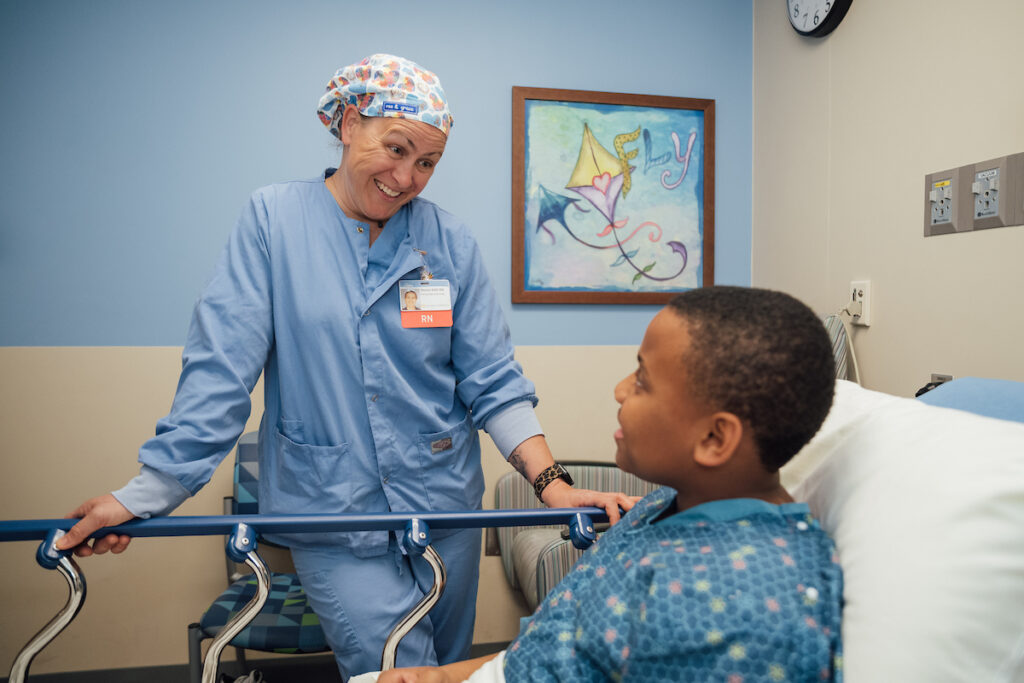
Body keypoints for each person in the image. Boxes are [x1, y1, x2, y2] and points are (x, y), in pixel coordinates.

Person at [56, 54, 637, 679]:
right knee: (399, 670)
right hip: (331, 513)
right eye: (395, 149)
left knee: (447, 666)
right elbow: (222, 371)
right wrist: (144, 496)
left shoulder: (449, 243)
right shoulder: (273, 222)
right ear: (349, 123)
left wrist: (555, 484)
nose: (406, 176)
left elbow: (492, 381)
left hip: (448, 511)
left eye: (427, 162)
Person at [368, 286, 843, 683]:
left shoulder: (737, 613)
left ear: (715, 438)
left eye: (642, 381)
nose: (619, 390)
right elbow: (566, 644)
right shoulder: (662, 508)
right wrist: (448, 676)